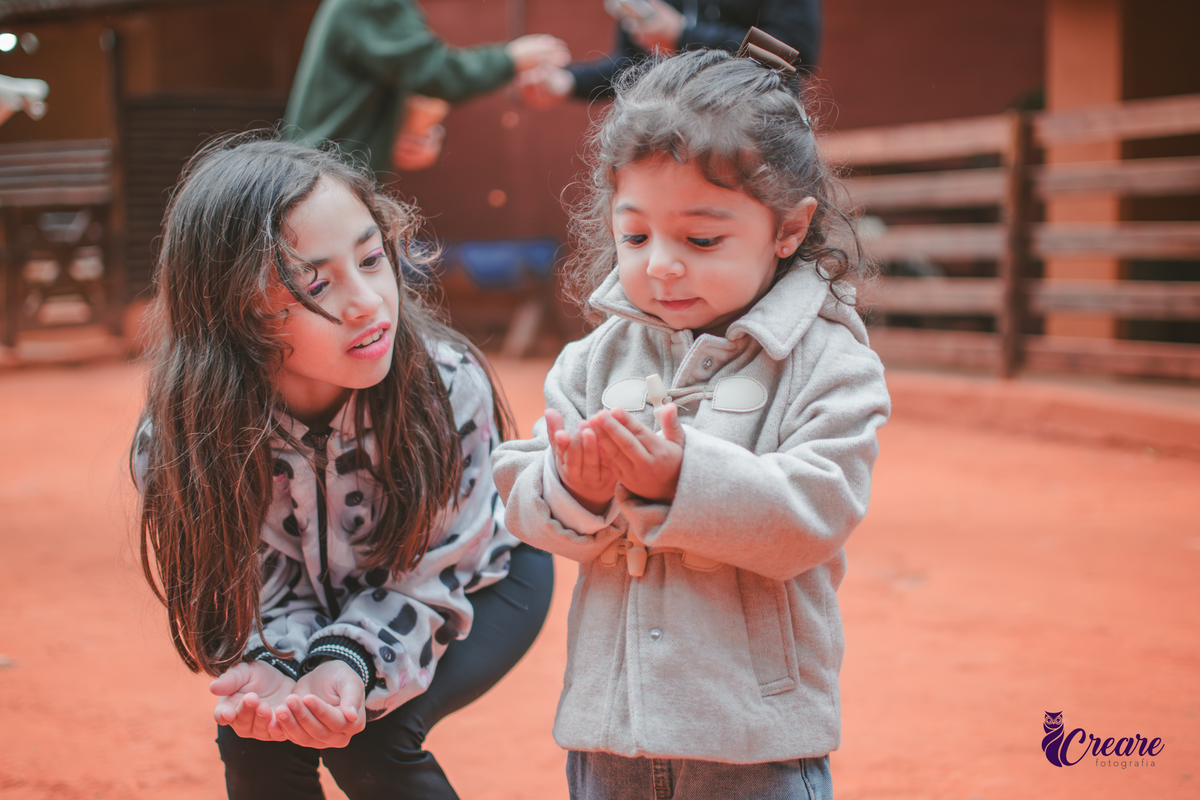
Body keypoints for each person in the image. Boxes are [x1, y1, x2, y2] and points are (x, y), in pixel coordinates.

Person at [492, 35, 890, 800]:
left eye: (701, 238)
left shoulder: (829, 363)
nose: (661, 263)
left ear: (789, 229)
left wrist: (682, 480)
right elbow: (526, 502)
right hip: (610, 734)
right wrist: (569, 486)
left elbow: (817, 509)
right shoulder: (592, 360)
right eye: (635, 235)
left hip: (753, 745)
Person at [132, 135, 554, 800]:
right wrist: (276, 666)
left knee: (373, 742)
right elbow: (245, 587)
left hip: (474, 581)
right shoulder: (182, 437)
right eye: (319, 284)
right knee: (259, 738)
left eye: (371, 258)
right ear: (234, 307)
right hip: (316, 601)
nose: (369, 303)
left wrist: (347, 660)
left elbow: (434, 569)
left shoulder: (445, 388)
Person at [284, 0, 570, 176]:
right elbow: (434, 73)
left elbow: (404, 80)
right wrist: (510, 60)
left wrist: (407, 134)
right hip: (326, 174)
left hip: (331, 170)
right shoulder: (373, 3)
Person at [519, 0, 821, 108]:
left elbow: (791, 57)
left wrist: (682, 34)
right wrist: (568, 81)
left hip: (759, 127)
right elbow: (631, 65)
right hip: (673, 131)